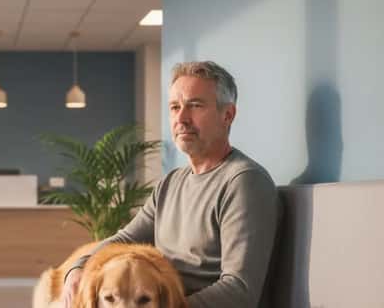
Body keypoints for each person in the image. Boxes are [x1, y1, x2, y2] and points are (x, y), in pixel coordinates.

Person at [62, 61, 281, 308]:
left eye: (195, 106)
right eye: (175, 107)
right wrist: (78, 267)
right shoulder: (171, 183)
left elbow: (239, 290)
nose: (182, 118)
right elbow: (125, 238)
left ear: (227, 115)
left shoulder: (244, 182)